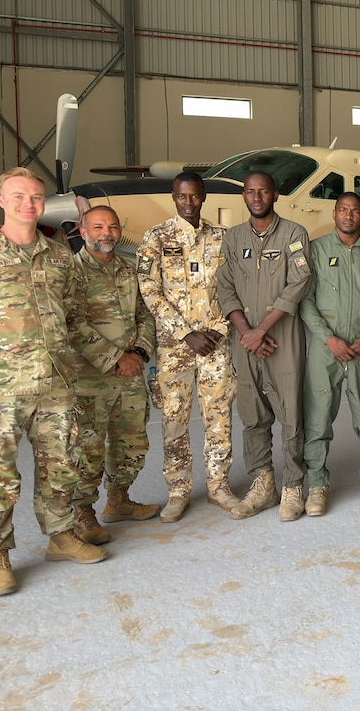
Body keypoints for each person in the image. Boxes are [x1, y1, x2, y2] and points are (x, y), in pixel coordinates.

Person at [0, 168, 118, 596]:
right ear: (1, 200)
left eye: (36, 197)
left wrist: (102, 357)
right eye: (18, 196)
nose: (28, 204)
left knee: (61, 466)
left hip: (55, 386)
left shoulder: (58, 258)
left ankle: (60, 536)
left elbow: (73, 315)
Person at [136, 171, 237, 522]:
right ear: (174, 197)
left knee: (219, 418)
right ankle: (178, 491)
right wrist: (185, 333)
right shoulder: (156, 238)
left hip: (215, 346)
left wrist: (220, 329)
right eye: (182, 196)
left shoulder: (223, 238)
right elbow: (149, 290)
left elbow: (233, 289)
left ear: (203, 196)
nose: (189, 202)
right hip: (174, 349)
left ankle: (218, 486)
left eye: (195, 196)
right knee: (174, 420)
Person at [216, 172, 312, 522]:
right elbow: (225, 287)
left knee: (291, 414)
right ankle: (263, 484)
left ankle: (293, 485)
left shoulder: (293, 234)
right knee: (252, 414)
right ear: (244, 196)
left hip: (283, 337)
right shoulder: (234, 238)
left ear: (274, 195)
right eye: (250, 191)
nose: (256, 196)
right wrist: (246, 333)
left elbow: (298, 282)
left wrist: (262, 330)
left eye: (263, 191)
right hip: (247, 341)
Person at [69, 206, 161, 547]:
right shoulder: (71, 272)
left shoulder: (129, 268)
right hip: (90, 377)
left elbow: (145, 314)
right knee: (88, 447)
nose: (106, 232)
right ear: (83, 230)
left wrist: (138, 354)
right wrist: (114, 358)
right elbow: (72, 324)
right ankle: (82, 514)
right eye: (97, 226)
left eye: (111, 226)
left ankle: (118, 500)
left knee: (131, 441)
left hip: (131, 374)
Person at [299, 192, 360, 514]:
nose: (349, 215)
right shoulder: (316, 250)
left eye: (355, 211)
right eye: (343, 210)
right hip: (327, 350)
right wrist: (328, 339)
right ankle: (317, 485)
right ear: (334, 213)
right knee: (318, 418)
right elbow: (305, 300)